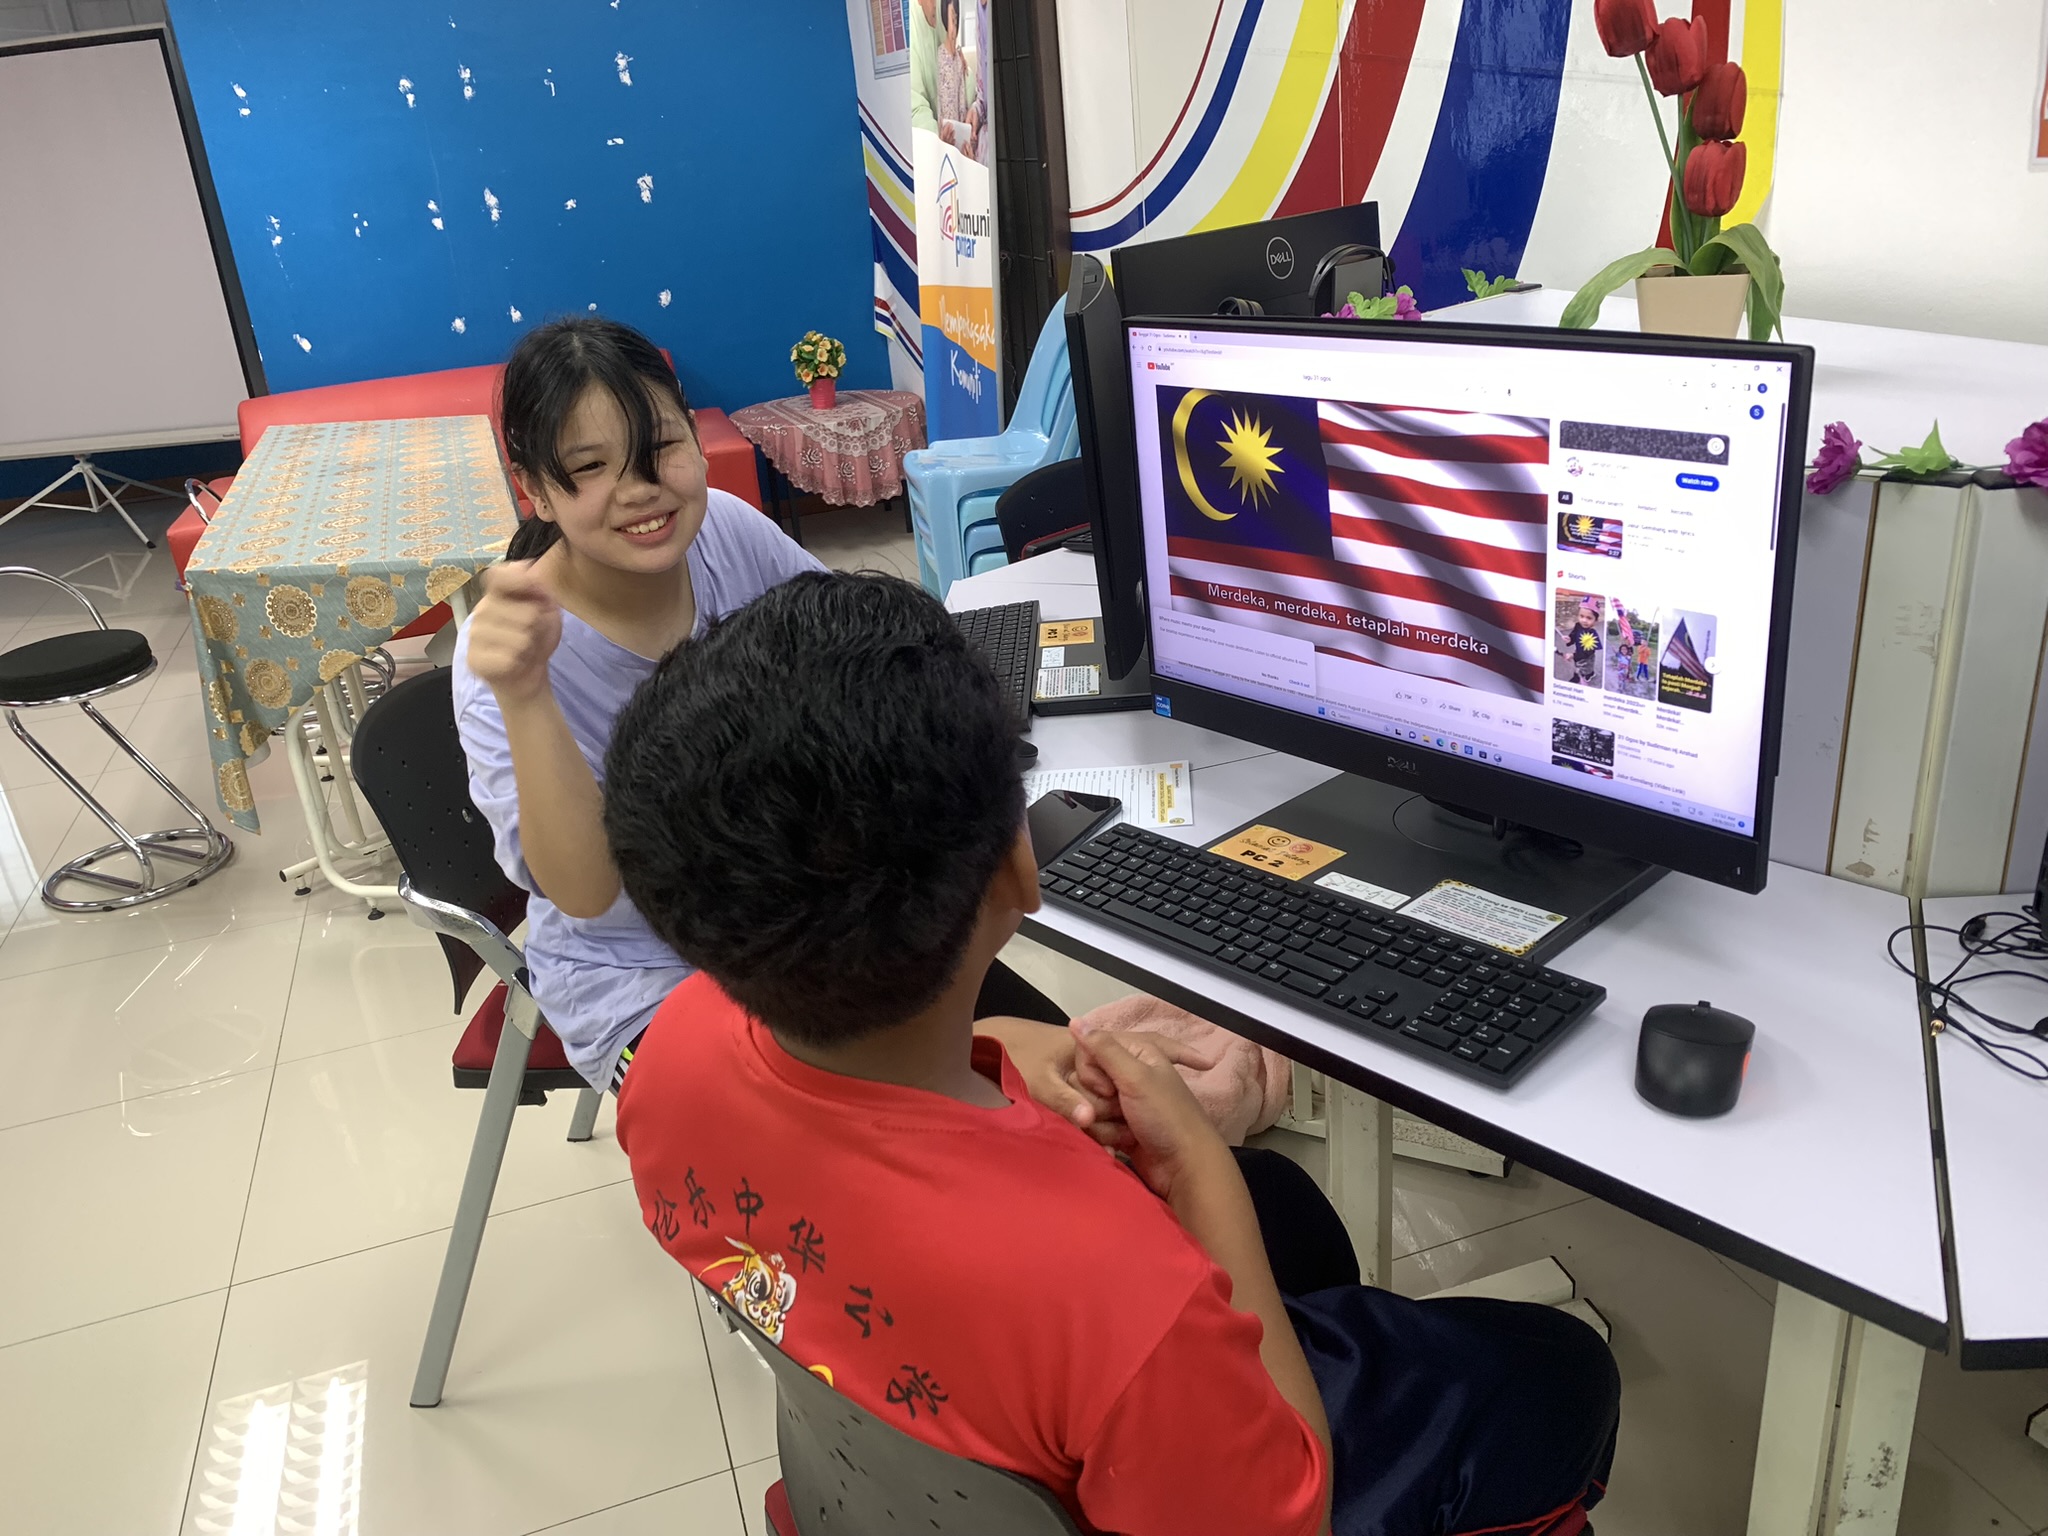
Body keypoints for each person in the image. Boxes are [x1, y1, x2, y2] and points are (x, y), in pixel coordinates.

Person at [605, 572, 1621, 1536]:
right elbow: (1288, 1518)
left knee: (1288, 1213)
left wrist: (997, 1044)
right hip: (1200, 1471)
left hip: (891, 1458)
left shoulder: (671, 1054)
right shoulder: (1116, 1294)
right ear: (1018, 868)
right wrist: (1198, 1165)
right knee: (1562, 1370)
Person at [453, 316, 1080, 1095]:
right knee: (905, 1127)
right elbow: (585, 895)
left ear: (695, 435)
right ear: (534, 488)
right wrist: (526, 696)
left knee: (1057, 1081)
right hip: (643, 982)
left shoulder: (727, 529)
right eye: (590, 467)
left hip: (810, 929)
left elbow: (858, 662)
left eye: (660, 448)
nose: (639, 489)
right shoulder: (506, 661)